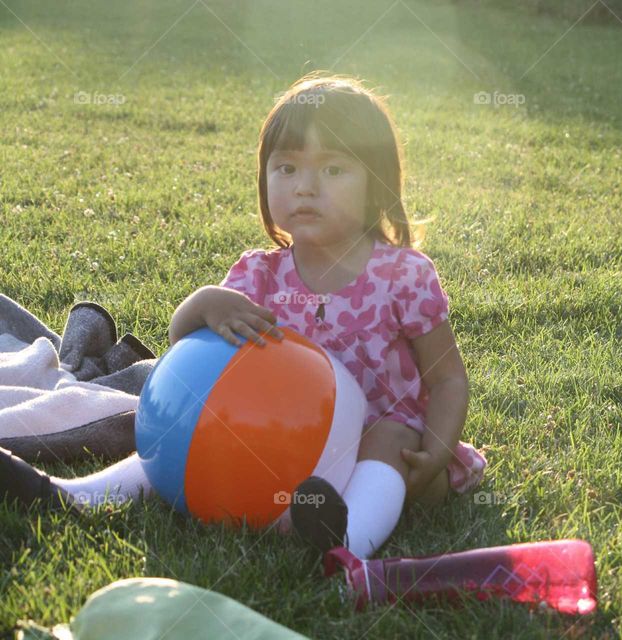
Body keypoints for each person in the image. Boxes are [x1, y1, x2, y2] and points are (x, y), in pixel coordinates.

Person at [0, 73, 487, 559]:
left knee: (390, 436)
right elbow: (189, 357)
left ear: (377, 183)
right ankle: (73, 496)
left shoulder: (403, 275)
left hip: (373, 445)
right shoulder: (259, 275)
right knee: (185, 430)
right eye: (287, 168)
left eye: (334, 170)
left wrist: (436, 450)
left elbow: (446, 379)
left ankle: (346, 541)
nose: (306, 188)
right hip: (278, 439)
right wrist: (202, 303)